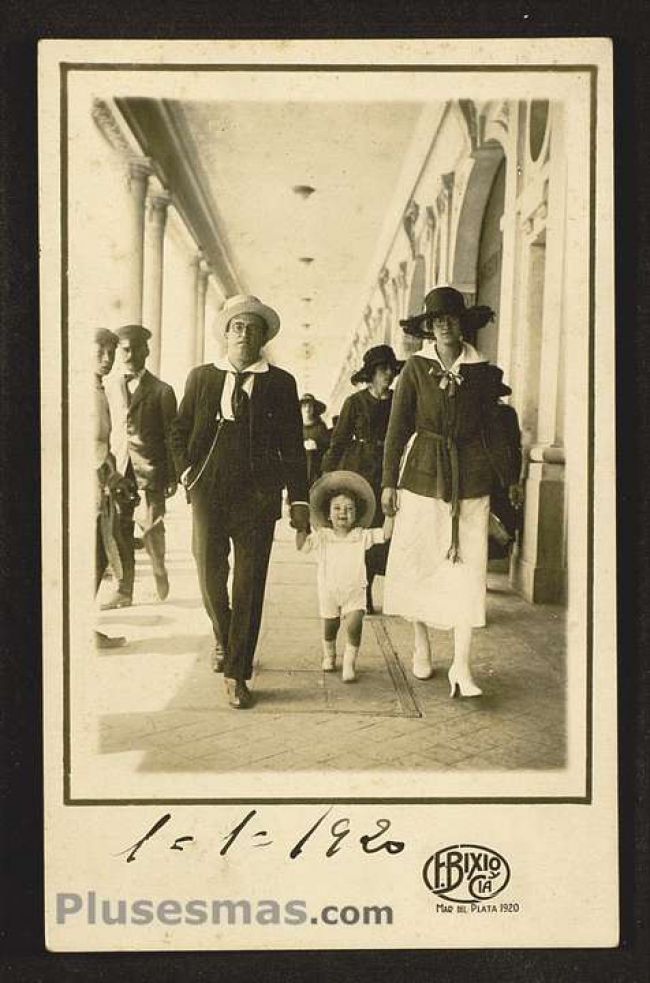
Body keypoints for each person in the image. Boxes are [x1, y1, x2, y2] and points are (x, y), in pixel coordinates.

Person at [171, 294, 310, 710]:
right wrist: (185, 471)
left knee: (249, 581)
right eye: (236, 326)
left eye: (252, 327)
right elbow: (178, 430)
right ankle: (226, 634)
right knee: (209, 573)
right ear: (225, 333)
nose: (243, 333)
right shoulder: (201, 377)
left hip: (259, 495)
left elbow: (292, 445)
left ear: (263, 336)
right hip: (209, 490)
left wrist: (299, 500)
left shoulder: (280, 383)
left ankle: (237, 671)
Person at [381, 287, 520, 694]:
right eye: (435, 320)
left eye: (450, 318)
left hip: (471, 477)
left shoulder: (482, 372)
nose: (443, 325)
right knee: (419, 562)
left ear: (463, 323)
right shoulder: (414, 370)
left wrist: (509, 478)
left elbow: (495, 431)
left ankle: (461, 664)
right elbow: (396, 429)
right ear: (427, 328)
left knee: (467, 567)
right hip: (422, 474)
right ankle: (422, 646)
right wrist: (388, 481)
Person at [322, 344, 403, 613]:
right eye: (382, 370)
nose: (388, 375)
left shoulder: (398, 401)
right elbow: (339, 440)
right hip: (359, 473)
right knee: (362, 534)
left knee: (389, 534)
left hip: (390, 472)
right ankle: (362, 594)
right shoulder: (354, 403)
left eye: (391, 369)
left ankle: (392, 593)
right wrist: (327, 475)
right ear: (371, 373)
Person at [103, 324, 178, 609]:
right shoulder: (109, 387)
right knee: (121, 530)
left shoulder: (162, 390)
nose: (130, 354)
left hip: (152, 469)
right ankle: (124, 590)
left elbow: (172, 435)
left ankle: (158, 566)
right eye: (125, 349)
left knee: (151, 528)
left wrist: (172, 474)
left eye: (136, 348)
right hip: (120, 469)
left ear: (147, 351)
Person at [297, 471, 388, 682]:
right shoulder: (322, 537)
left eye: (349, 509)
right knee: (330, 627)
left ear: (356, 514)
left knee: (354, 625)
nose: (342, 513)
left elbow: (385, 534)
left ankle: (349, 663)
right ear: (328, 514)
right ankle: (329, 654)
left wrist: (390, 515)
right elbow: (302, 546)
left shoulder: (361, 536)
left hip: (354, 592)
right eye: (337, 508)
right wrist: (301, 526)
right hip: (329, 592)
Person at [94, 328, 130, 649]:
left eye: (111, 353)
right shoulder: (78, 388)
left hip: (101, 484)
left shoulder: (99, 386)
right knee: (90, 556)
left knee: (97, 556)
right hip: (86, 486)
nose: (107, 359)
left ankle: (85, 626)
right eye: (100, 351)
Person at [300, 393, 330, 487]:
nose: (307, 409)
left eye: (310, 406)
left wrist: (317, 446)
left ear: (314, 408)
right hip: (300, 469)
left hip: (317, 469)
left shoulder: (320, 428)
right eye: (304, 406)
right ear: (300, 409)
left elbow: (328, 448)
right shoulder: (295, 428)